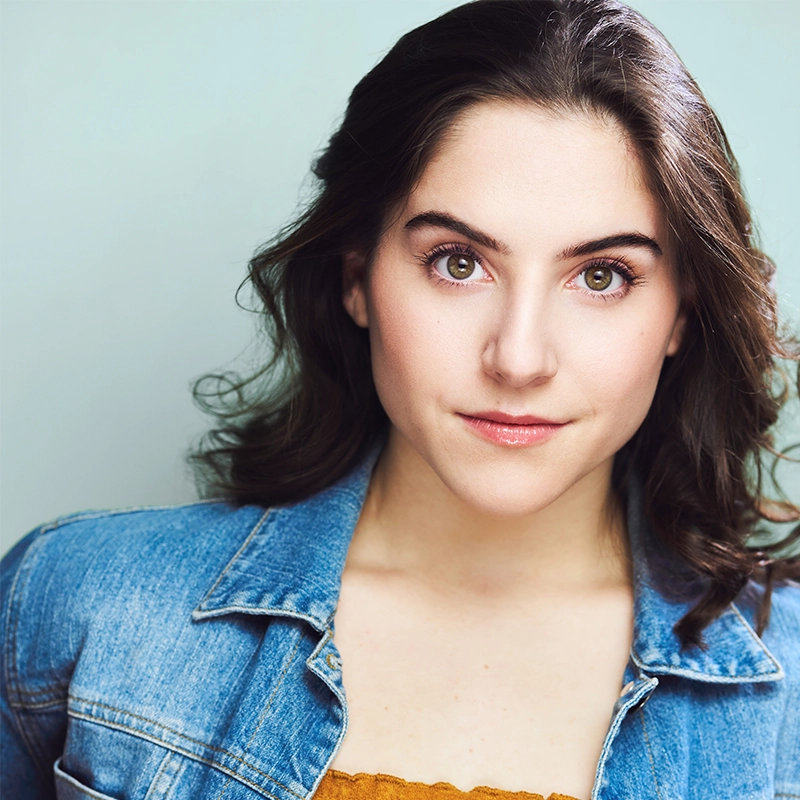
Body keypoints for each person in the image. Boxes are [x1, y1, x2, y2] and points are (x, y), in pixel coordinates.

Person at [2, 0, 798, 798]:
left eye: (600, 276)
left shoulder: (787, 694)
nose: (519, 358)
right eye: (457, 262)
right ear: (357, 279)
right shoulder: (79, 605)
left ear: (682, 314)